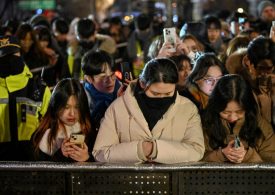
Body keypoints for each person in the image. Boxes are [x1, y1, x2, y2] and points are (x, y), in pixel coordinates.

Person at [92, 58, 205, 164]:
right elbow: (100, 153)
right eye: (155, 93)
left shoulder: (188, 108)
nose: (161, 98)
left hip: (174, 182)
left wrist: (155, 149)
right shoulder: (118, 108)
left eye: (168, 93)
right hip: (129, 181)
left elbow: (196, 150)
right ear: (142, 83)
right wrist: (140, 149)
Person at [202, 74, 275, 163]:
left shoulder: (262, 127)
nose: (233, 118)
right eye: (226, 112)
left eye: (239, 112)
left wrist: (247, 155)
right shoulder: (204, 124)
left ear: (248, 108)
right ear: (216, 107)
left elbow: (270, 164)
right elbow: (195, 158)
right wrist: (221, 154)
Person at [0, 35, 51, 161]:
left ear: (20, 55)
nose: (9, 60)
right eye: (4, 57)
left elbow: (51, 126)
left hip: (32, 163)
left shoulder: (38, 89)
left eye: (13, 54)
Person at [32, 78, 95, 162]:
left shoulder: (91, 133)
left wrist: (87, 159)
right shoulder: (40, 135)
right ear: (56, 105)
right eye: (66, 107)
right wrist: (61, 155)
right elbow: (38, 172)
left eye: (77, 107)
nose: (72, 114)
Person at [81, 49, 122, 131]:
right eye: (103, 77)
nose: (110, 81)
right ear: (89, 78)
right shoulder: (82, 99)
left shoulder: (122, 89)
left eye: (112, 74)